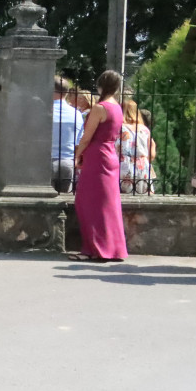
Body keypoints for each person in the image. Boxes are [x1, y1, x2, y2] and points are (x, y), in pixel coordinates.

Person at [71, 70, 127, 262]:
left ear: (101, 85)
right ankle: (114, 248)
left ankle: (95, 248)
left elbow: (87, 136)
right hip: (110, 154)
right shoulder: (118, 107)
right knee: (108, 204)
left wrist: (78, 155)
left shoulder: (100, 107)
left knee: (87, 203)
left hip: (97, 156)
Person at [52, 77, 84, 193]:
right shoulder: (76, 114)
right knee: (63, 201)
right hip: (67, 160)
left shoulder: (44, 111)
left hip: (45, 160)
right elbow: (79, 141)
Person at [118, 99, 157, 195]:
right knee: (143, 198)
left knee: (122, 199)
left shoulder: (120, 128)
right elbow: (151, 155)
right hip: (142, 166)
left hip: (124, 165)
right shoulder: (145, 129)